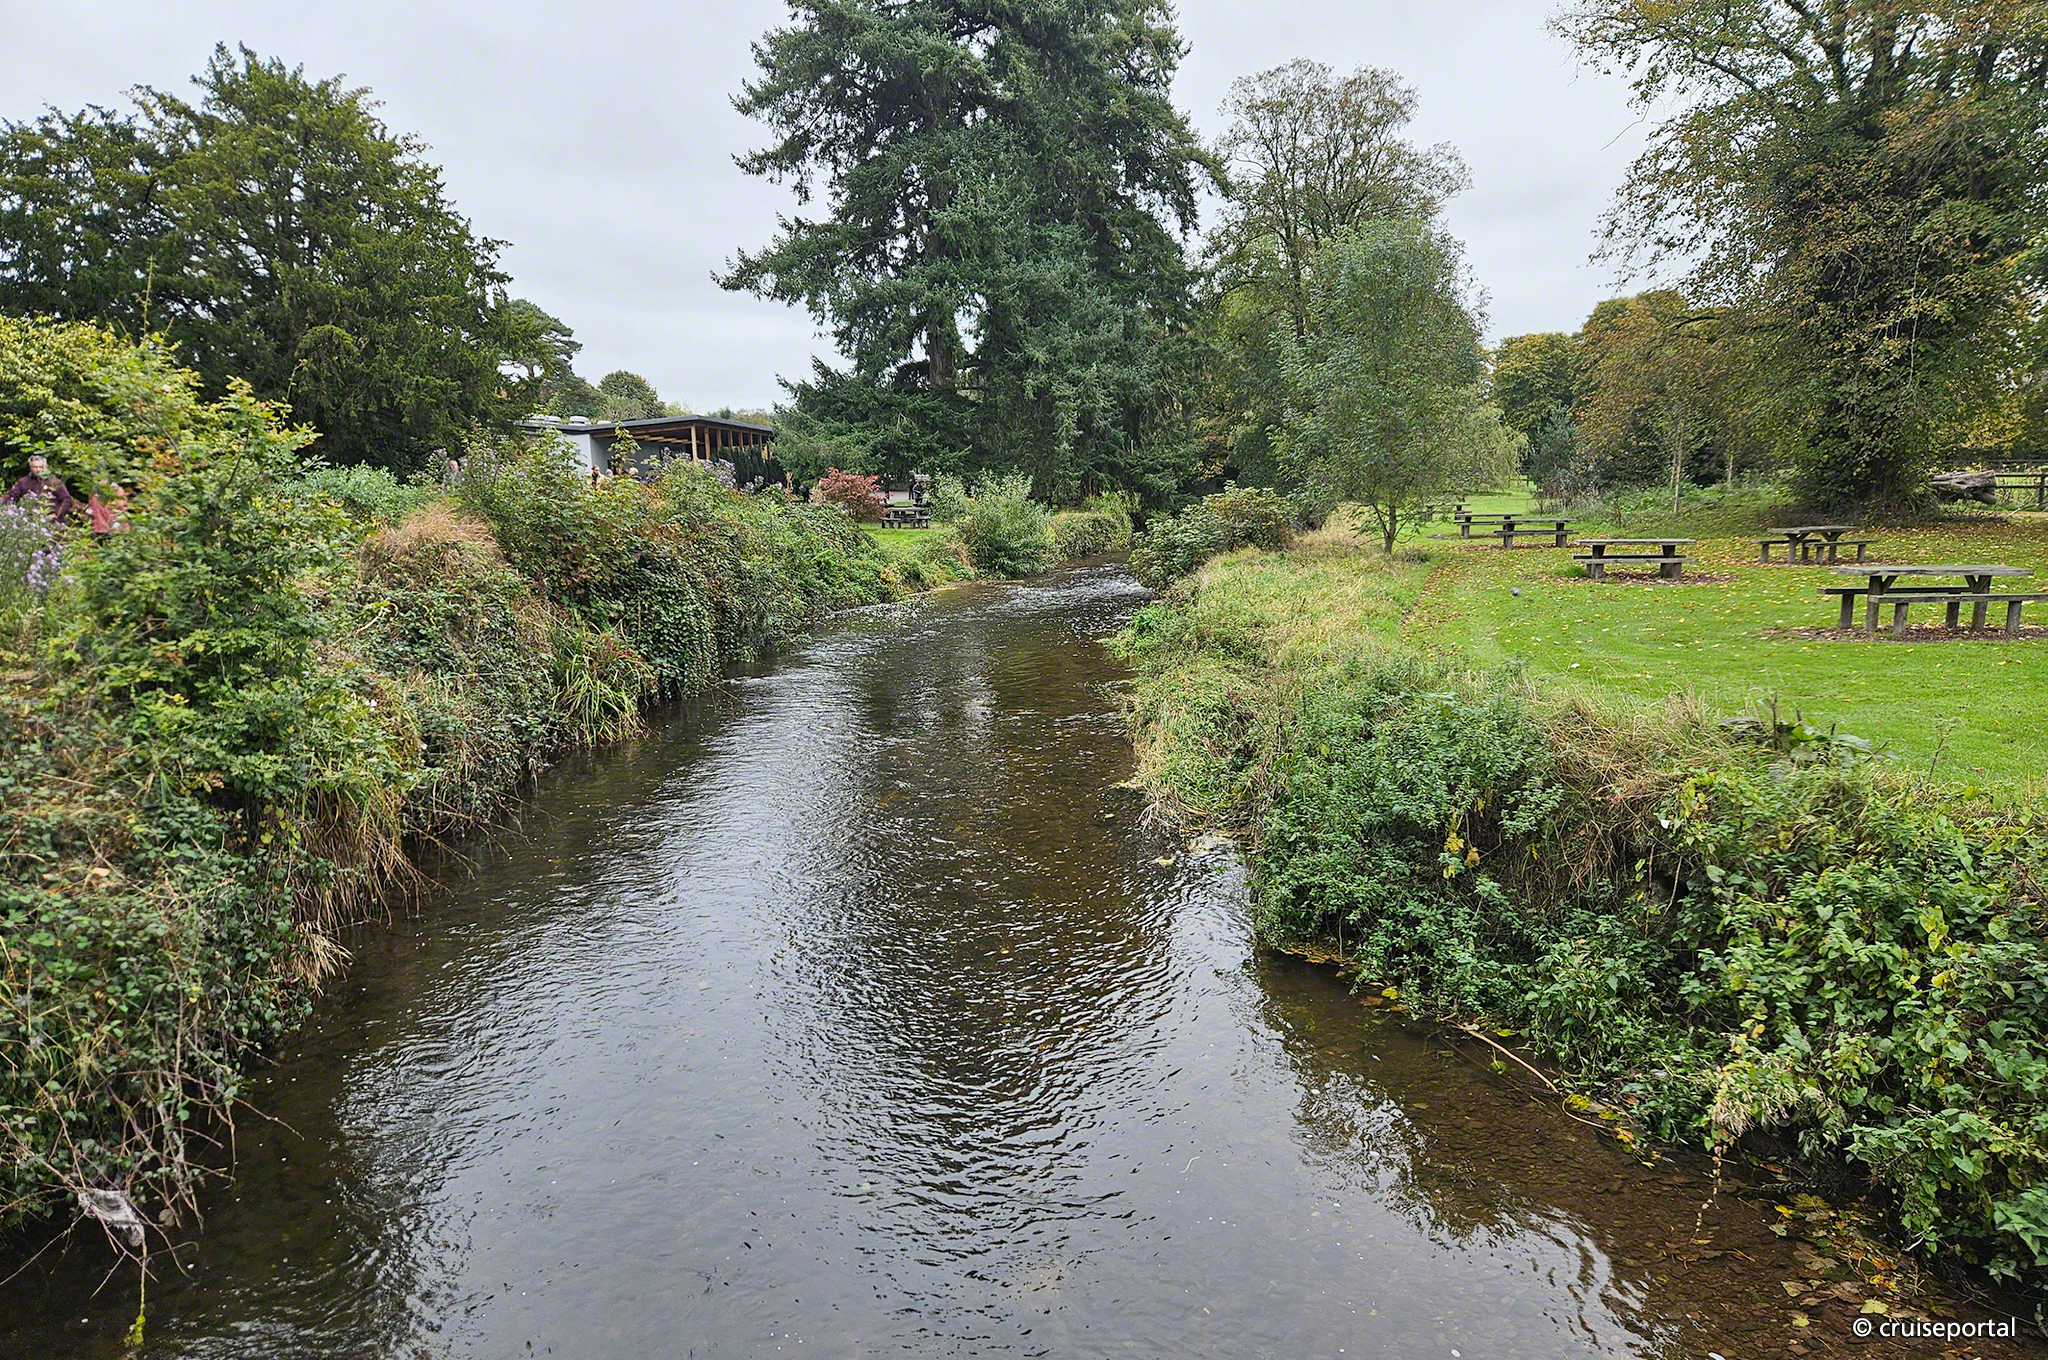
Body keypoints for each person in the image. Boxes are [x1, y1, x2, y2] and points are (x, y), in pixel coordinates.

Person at [2, 454, 74, 523]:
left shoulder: (54, 482)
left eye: (40, 467)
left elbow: (67, 499)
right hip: (30, 520)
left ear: (45, 467)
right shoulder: (23, 482)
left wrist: (56, 513)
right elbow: (11, 496)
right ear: (30, 467)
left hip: (52, 522)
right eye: (35, 467)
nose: (38, 469)